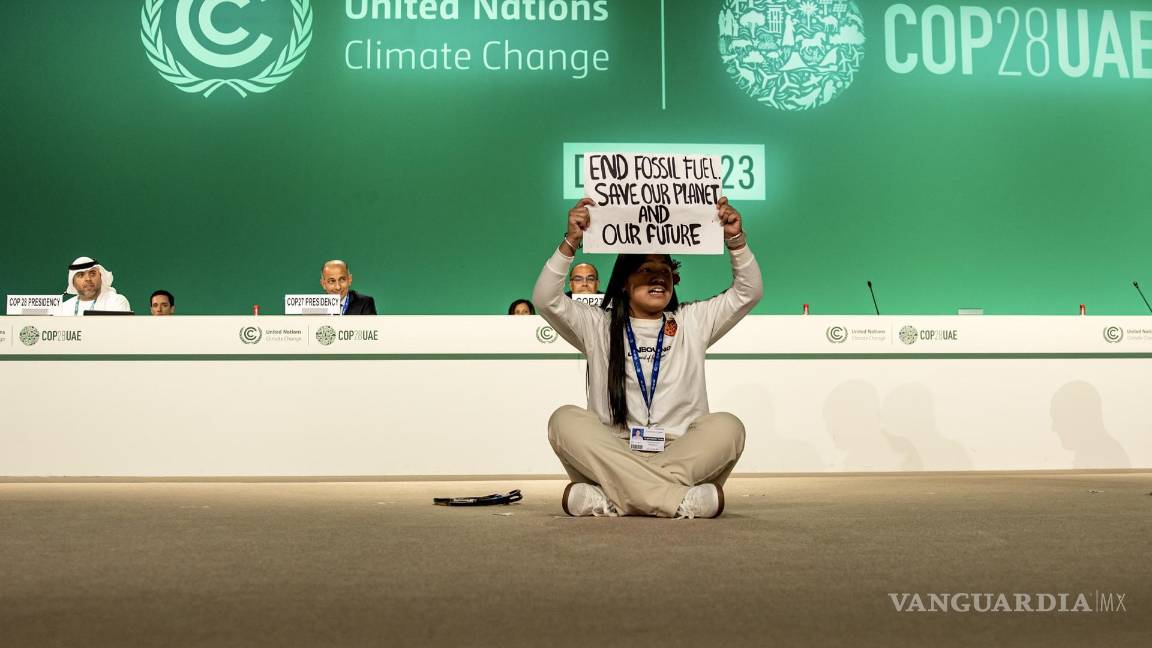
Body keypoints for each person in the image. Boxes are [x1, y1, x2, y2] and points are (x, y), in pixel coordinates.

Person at [533, 197, 762, 519]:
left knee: (728, 427)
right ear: (624, 283)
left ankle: (611, 499)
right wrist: (571, 241)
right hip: (614, 451)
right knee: (564, 420)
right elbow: (545, 299)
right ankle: (677, 500)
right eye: (646, 269)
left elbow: (748, 292)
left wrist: (735, 240)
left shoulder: (691, 321)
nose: (658, 278)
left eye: (665, 271)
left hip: (680, 451)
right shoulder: (597, 325)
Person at [58, 257, 131, 316]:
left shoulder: (116, 302)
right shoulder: (63, 308)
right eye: (81, 275)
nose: (88, 279)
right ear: (73, 282)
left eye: (92, 273)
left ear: (101, 277)